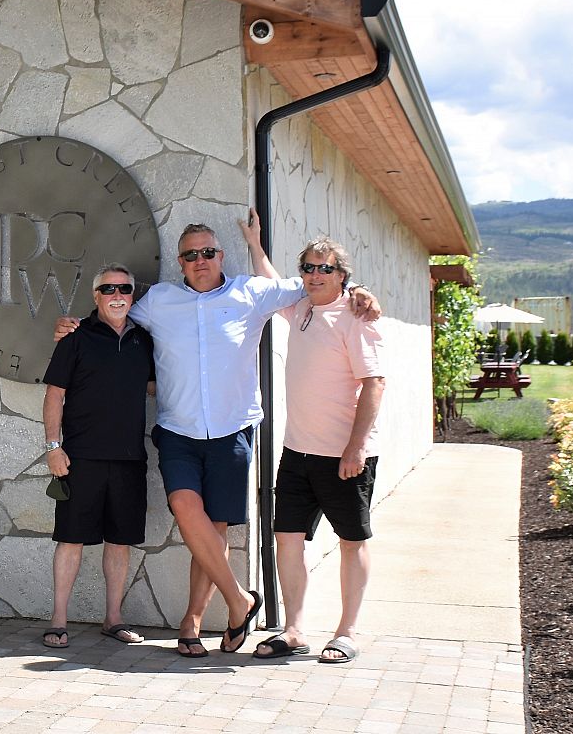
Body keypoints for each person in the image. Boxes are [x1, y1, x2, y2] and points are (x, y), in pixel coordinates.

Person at [55, 210, 378, 656]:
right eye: (190, 255)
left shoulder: (250, 292)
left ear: (220, 254)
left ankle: (191, 622)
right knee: (186, 508)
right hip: (178, 431)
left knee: (215, 528)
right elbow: (113, 313)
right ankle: (239, 600)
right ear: (180, 261)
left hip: (231, 431)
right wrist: (71, 326)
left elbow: (312, 284)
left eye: (208, 252)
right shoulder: (159, 300)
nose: (200, 261)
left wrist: (359, 291)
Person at [249, 237, 384, 665]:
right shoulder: (302, 309)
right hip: (297, 452)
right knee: (286, 538)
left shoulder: (358, 316)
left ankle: (347, 632)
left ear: (342, 275)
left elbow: (375, 384)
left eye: (324, 269)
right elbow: (270, 281)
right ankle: (293, 630)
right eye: (308, 267)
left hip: (343, 455)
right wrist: (254, 243)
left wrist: (356, 447)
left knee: (350, 539)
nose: (314, 275)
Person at [37, 264, 153, 650]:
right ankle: (58, 620)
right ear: (95, 296)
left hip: (129, 460)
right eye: (108, 289)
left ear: (133, 296)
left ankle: (113, 619)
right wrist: (54, 447)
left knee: (119, 542)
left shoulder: (144, 341)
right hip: (80, 459)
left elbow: (155, 386)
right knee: (70, 539)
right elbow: (54, 395)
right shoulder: (75, 337)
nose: (117, 295)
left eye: (125, 288)